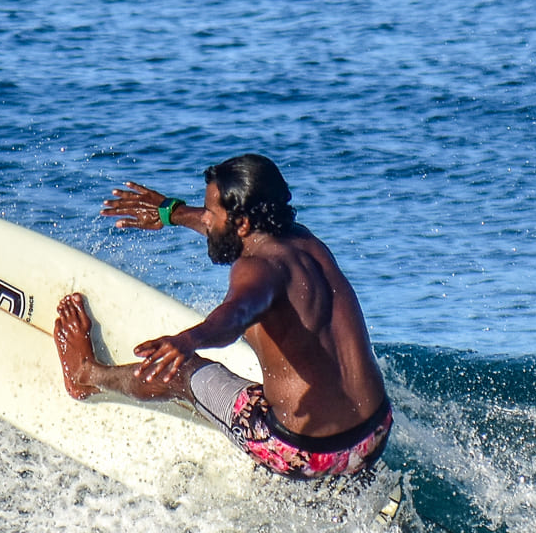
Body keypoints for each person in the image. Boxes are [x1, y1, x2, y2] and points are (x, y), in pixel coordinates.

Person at [52, 153, 392, 481]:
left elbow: (237, 312)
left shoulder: (257, 269)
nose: (206, 219)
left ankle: (86, 376)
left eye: (211, 214)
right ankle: (344, 480)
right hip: (374, 433)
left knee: (181, 372)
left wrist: (188, 340)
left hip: (303, 453)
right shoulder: (304, 242)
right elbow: (235, 237)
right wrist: (172, 213)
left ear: (243, 223)